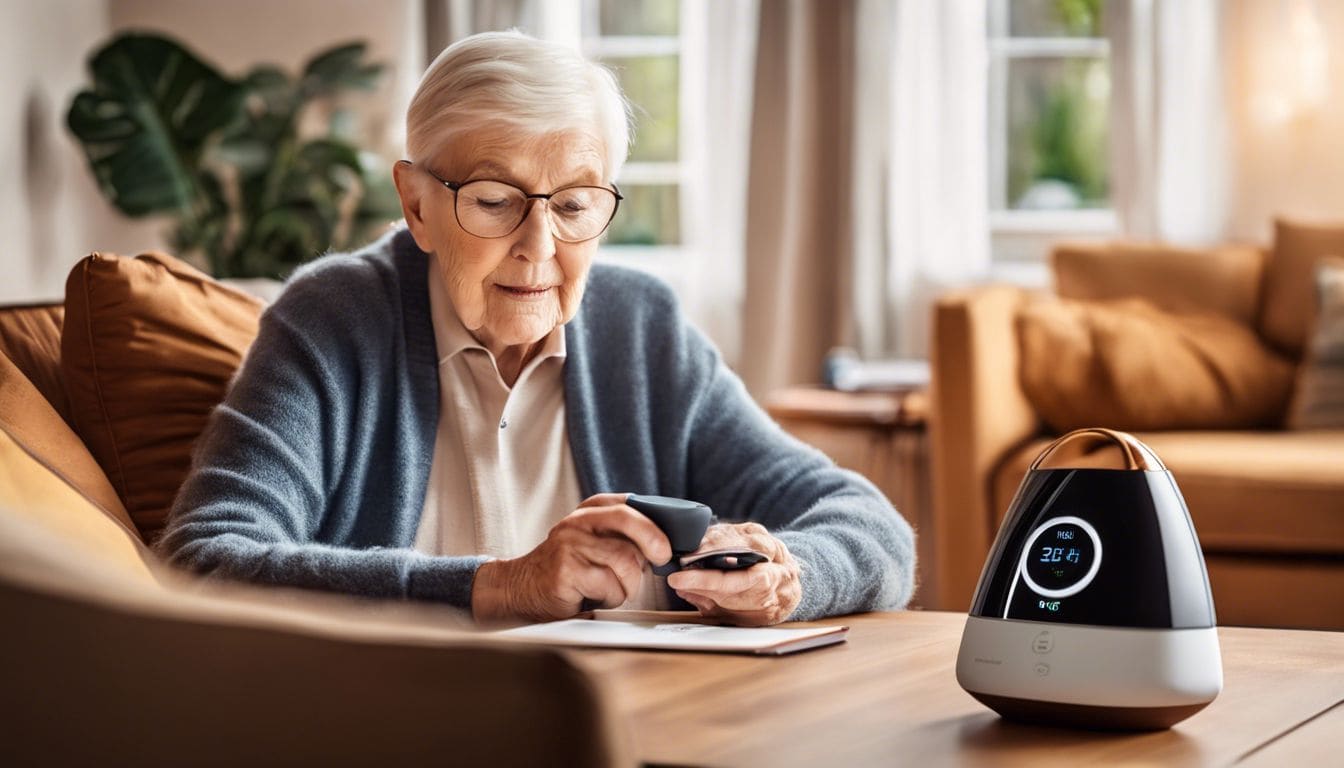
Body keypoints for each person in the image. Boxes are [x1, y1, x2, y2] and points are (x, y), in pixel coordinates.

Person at [158, 30, 914, 626]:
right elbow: (203, 559)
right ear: (417, 203)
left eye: (576, 204)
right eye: (494, 200)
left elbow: (873, 528)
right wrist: (502, 585)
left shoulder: (638, 328)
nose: (540, 247)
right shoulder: (333, 321)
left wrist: (786, 574)